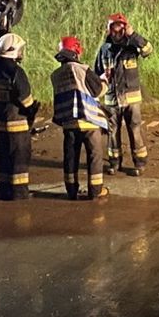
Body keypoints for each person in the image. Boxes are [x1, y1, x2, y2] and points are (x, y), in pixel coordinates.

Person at [93, 13, 153, 175]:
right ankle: (114, 162)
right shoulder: (104, 50)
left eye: (121, 27)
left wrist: (133, 35)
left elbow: (148, 50)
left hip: (131, 98)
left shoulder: (132, 46)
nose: (118, 31)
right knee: (113, 132)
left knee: (134, 129)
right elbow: (96, 74)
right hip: (111, 98)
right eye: (115, 27)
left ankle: (139, 163)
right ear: (109, 29)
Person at [52, 35, 109, 200]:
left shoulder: (56, 75)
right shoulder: (82, 69)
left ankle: (71, 190)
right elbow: (98, 90)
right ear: (76, 51)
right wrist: (105, 80)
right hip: (89, 121)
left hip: (68, 122)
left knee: (70, 157)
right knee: (95, 156)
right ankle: (95, 190)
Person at [0, 33, 38, 200]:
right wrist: (33, 109)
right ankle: (19, 192)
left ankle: (4, 189)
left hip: (2, 124)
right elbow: (25, 98)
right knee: (19, 158)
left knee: (4, 158)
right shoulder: (16, 71)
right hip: (17, 123)